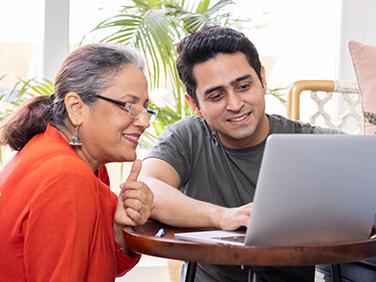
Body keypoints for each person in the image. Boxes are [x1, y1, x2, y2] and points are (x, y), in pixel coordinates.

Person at [138, 26, 375, 282]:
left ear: (262, 79)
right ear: (194, 104)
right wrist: (222, 216)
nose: (235, 104)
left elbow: (366, 167)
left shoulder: (307, 140)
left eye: (243, 86)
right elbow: (149, 187)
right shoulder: (188, 137)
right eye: (216, 95)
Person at [0, 44, 156, 281]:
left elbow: (95, 264)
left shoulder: (78, 163)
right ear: (76, 108)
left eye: (145, 108)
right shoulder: (67, 177)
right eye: (129, 106)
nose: (144, 121)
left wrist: (118, 231)